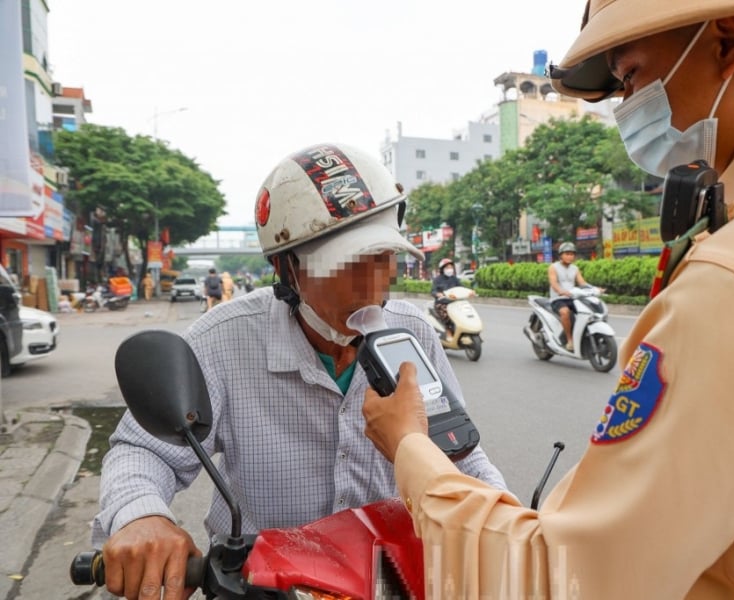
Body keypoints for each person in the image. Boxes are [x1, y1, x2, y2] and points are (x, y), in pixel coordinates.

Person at [363, 1, 734, 597]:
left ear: (726, 43)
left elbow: (565, 580)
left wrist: (410, 448)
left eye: (631, 77)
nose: (625, 108)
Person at [93, 143, 507, 599]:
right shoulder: (221, 340)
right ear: (286, 267)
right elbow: (144, 451)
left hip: (395, 581)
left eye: (384, 256)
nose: (373, 283)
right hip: (264, 587)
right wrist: (140, 515)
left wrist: (506, 524)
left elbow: (460, 454)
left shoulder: (414, 334)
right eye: (348, 264)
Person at [548, 241, 598, 351]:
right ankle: (570, 340)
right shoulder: (553, 267)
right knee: (565, 312)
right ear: (561, 255)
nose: (570, 256)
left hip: (572, 298)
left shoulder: (575, 268)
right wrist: (561, 291)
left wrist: (595, 289)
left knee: (587, 312)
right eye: (567, 254)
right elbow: (554, 283)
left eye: (572, 254)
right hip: (558, 299)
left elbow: (582, 283)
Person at [430, 257, 461, 338]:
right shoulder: (437, 280)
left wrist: (470, 292)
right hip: (442, 303)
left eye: (451, 267)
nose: (450, 269)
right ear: (443, 269)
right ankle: (448, 331)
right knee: (447, 315)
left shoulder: (455, 279)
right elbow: (433, 291)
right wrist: (438, 294)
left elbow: (461, 288)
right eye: (447, 267)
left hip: (454, 303)